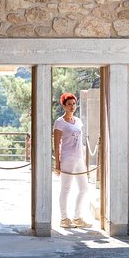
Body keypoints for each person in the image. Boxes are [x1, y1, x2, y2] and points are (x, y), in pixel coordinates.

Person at [54, 92, 92, 229]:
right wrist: (57, 163)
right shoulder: (59, 122)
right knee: (66, 188)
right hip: (67, 158)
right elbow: (56, 144)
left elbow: (81, 141)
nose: (72, 106)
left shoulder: (78, 121)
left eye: (74, 104)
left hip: (79, 159)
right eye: (69, 104)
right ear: (64, 106)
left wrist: (84, 161)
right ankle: (64, 219)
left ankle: (77, 217)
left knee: (84, 188)